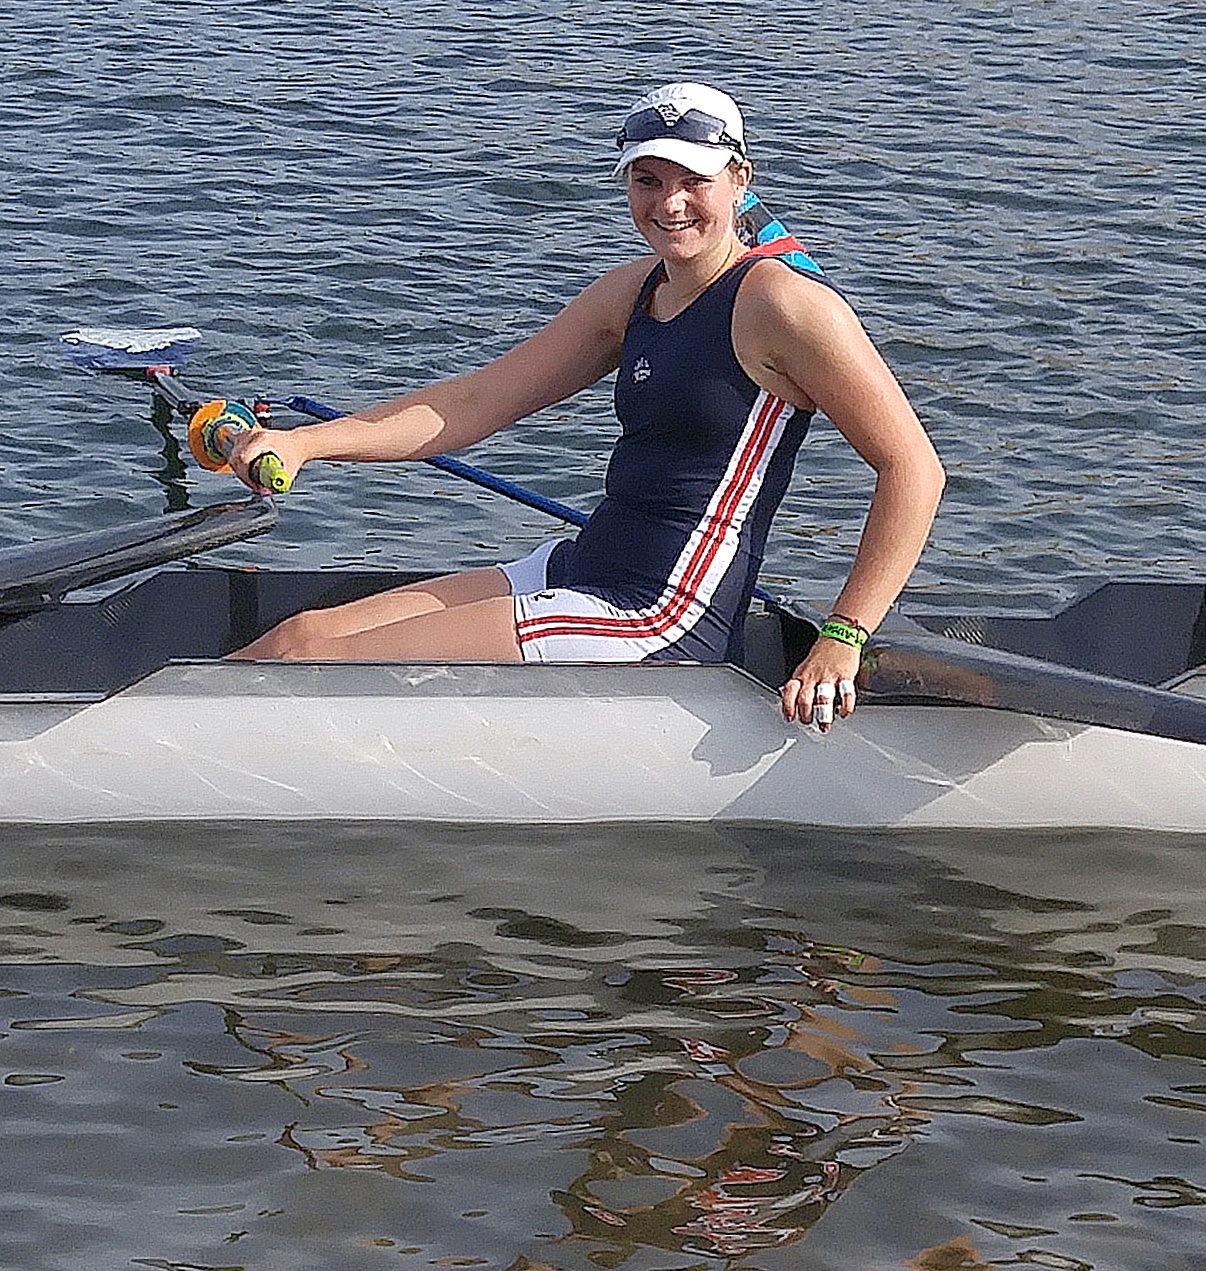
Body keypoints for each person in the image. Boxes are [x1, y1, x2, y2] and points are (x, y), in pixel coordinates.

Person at [228, 82, 945, 730]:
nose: (670, 203)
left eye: (694, 179)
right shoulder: (634, 293)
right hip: (581, 570)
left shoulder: (784, 306)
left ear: (739, 182)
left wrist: (843, 636)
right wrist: (305, 443)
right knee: (305, 639)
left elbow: (913, 468)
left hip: (661, 616)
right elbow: (473, 403)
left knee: (319, 673)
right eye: (647, 180)